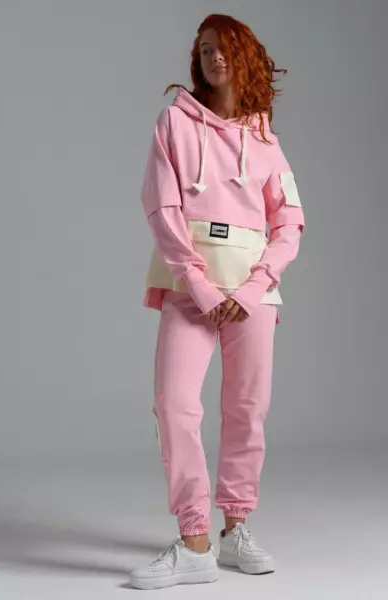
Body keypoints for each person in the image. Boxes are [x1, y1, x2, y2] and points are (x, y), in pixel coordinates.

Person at [129, 13, 305, 590]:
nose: (214, 58)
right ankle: (194, 540)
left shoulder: (265, 139)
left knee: (247, 409)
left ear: (244, 57)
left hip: (253, 293)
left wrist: (253, 287)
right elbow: (162, 207)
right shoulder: (174, 123)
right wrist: (201, 285)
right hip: (190, 288)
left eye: (225, 48)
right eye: (205, 49)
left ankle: (235, 528)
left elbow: (290, 222)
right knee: (175, 405)